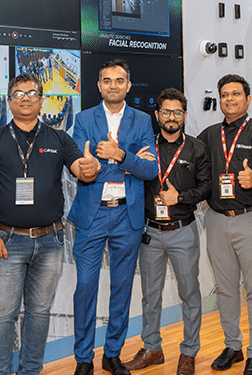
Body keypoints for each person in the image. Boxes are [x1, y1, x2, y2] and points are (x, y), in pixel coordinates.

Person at [0, 73, 98, 375]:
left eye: (32, 93)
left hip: (50, 241)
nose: (26, 98)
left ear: (42, 101)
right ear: (9, 101)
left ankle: (31, 371)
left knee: (39, 313)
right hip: (7, 242)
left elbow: (81, 171)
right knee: (2, 315)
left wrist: (90, 167)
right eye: (19, 94)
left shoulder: (59, 139)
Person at [70, 59, 158, 375]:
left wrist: (119, 155)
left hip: (126, 214)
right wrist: (124, 163)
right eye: (107, 80)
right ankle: (83, 358)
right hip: (92, 214)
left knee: (121, 287)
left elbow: (150, 169)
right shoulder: (83, 119)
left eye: (119, 80)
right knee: (85, 286)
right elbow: (82, 166)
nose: (113, 86)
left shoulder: (143, 120)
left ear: (128, 85)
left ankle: (112, 354)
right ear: (99, 86)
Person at [197, 74, 252, 375]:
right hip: (216, 221)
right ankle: (233, 345)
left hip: (251, 219)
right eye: (224, 95)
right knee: (226, 289)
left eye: (235, 94)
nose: (229, 99)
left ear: (248, 99)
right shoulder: (209, 135)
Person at [124, 88, 211, 375]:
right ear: (157, 114)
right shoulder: (145, 147)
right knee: (150, 296)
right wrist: (130, 166)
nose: (171, 117)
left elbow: (206, 187)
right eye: (166, 111)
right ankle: (152, 348)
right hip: (150, 232)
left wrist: (180, 197)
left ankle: (188, 352)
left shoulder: (197, 148)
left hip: (183, 231)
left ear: (184, 115)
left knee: (190, 294)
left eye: (177, 112)